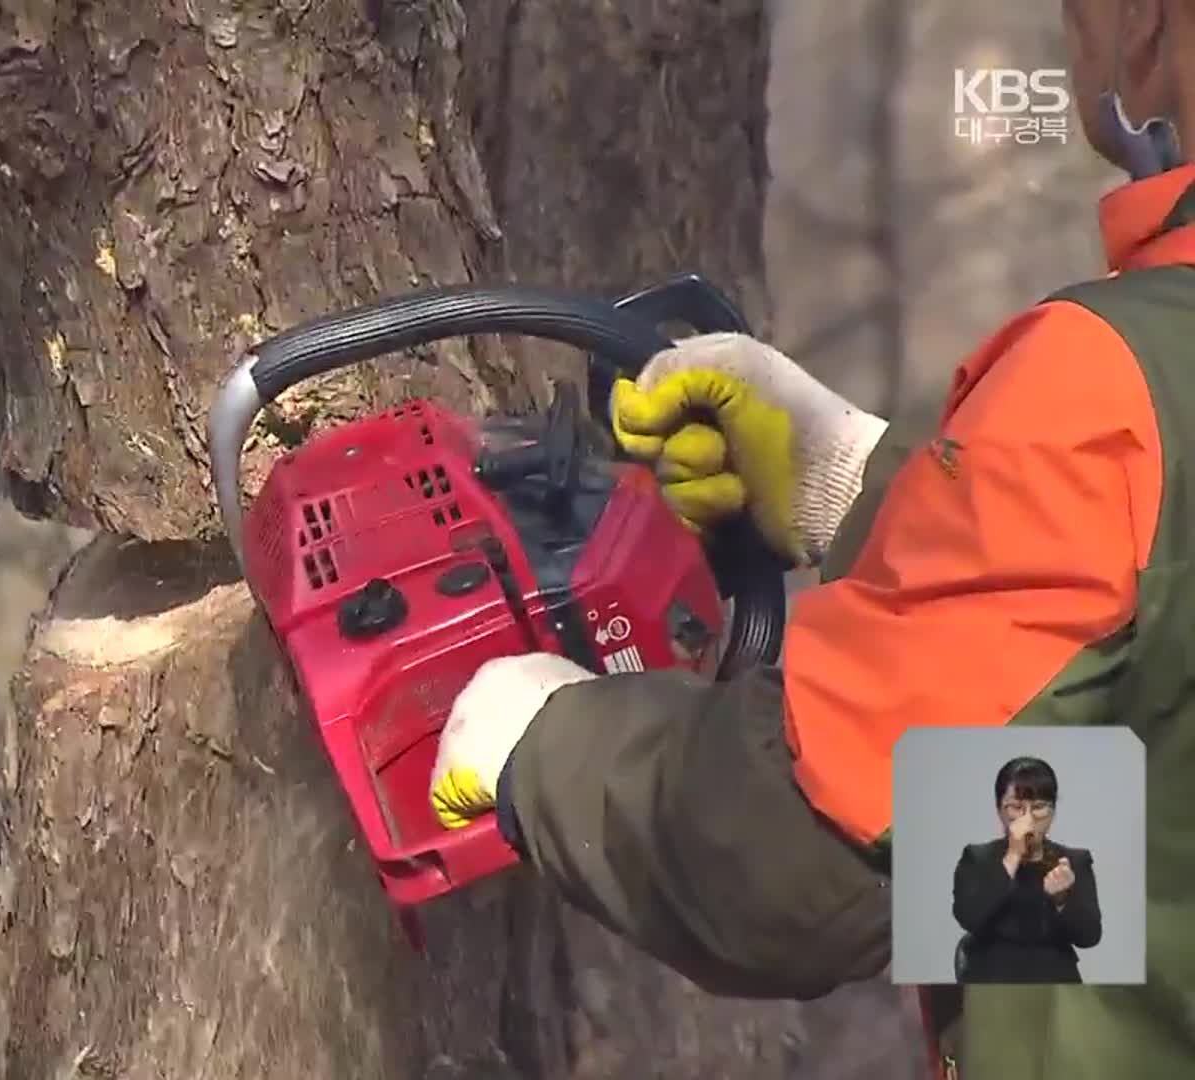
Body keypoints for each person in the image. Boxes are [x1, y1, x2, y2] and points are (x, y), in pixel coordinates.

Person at [425, 1, 1192, 1076]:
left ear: (1145, 26)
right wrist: (860, 486)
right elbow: (1127, 787)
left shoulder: (1111, 393)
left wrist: (546, 746)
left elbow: (808, 860)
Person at [951, 757, 1102, 984]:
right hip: (993, 975)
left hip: (1055, 977)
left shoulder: (1072, 861)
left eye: (1039, 807)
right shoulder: (978, 858)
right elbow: (970, 918)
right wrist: (1012, 856)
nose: (1028, 819)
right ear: (1000, 810)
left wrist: (1062, 900)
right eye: (1016, 807)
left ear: (1052, 814)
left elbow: (1090, 936)